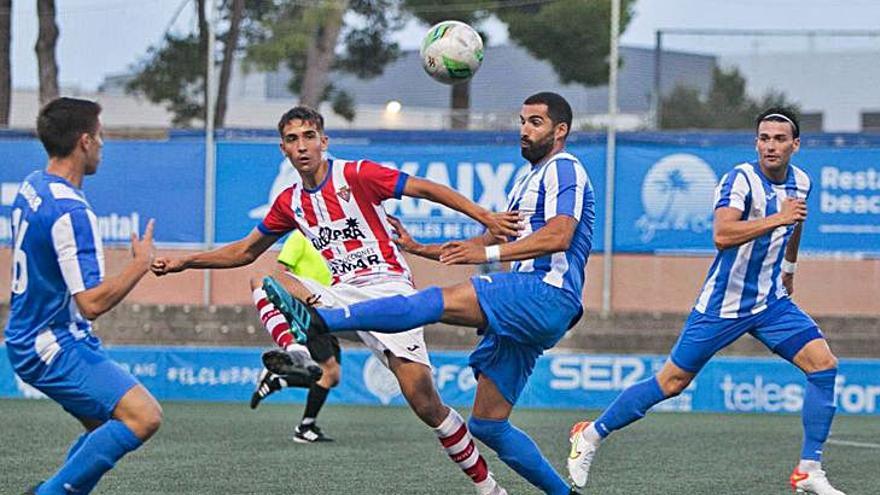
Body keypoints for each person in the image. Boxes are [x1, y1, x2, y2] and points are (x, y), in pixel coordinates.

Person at [151, 105, 517, 495]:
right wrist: (185, 261)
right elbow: (244, 251)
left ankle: (488, 486)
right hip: (340, 292)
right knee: (265, 278)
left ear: (324, 141)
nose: (302, 146)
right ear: (283, 149)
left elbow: (425, 188)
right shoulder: (289, 202)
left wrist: (484, 215)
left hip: (389, 289)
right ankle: (298, 354)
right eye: (293, 139)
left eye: (310, 136)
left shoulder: (356, 174)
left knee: (426, 405)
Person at [261, 92, 593, 495]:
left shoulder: (564, 168)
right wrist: (419, 248)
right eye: (522, 120)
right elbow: (483, 241)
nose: (524, 130)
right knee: (487, 424)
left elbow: (560, 235)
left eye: (535, 122)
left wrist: (486, 251)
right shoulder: (526, 181)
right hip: (524, 309)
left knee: (429, 302)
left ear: (561, 130)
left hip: (545, 292)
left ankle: (322, 322)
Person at [566, 107, 846, 495]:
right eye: (764, 138)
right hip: (723, 303)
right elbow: (723, 234)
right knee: (671, 382)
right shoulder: (740, 180)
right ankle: (591, 434)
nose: (770, 145)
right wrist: (775, 220)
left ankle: (808, 470)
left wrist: (790, 268)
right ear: (756, 143)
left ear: (795, 145)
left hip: (770, 302)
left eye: (780, 139)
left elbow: (795, 222)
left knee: (824, 366)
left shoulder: (801, 182)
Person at [5, 97, 162, 494]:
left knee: (106, 427)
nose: (103, 145)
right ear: (84, 142)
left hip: (35, 335)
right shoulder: (72, 211)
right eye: (101, 136)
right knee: (143, 416)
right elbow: (91, 302)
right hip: (50, 342)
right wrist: (140, 264)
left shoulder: (33, 186)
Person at [250, 230, 343, 444]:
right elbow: (280, 274)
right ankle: (305, 427)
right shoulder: (299, 238)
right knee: (329, 372)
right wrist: (302, 299)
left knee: (332, 377)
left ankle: (277, 381)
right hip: (307, 312)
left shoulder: (333, 239)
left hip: (328, 311)